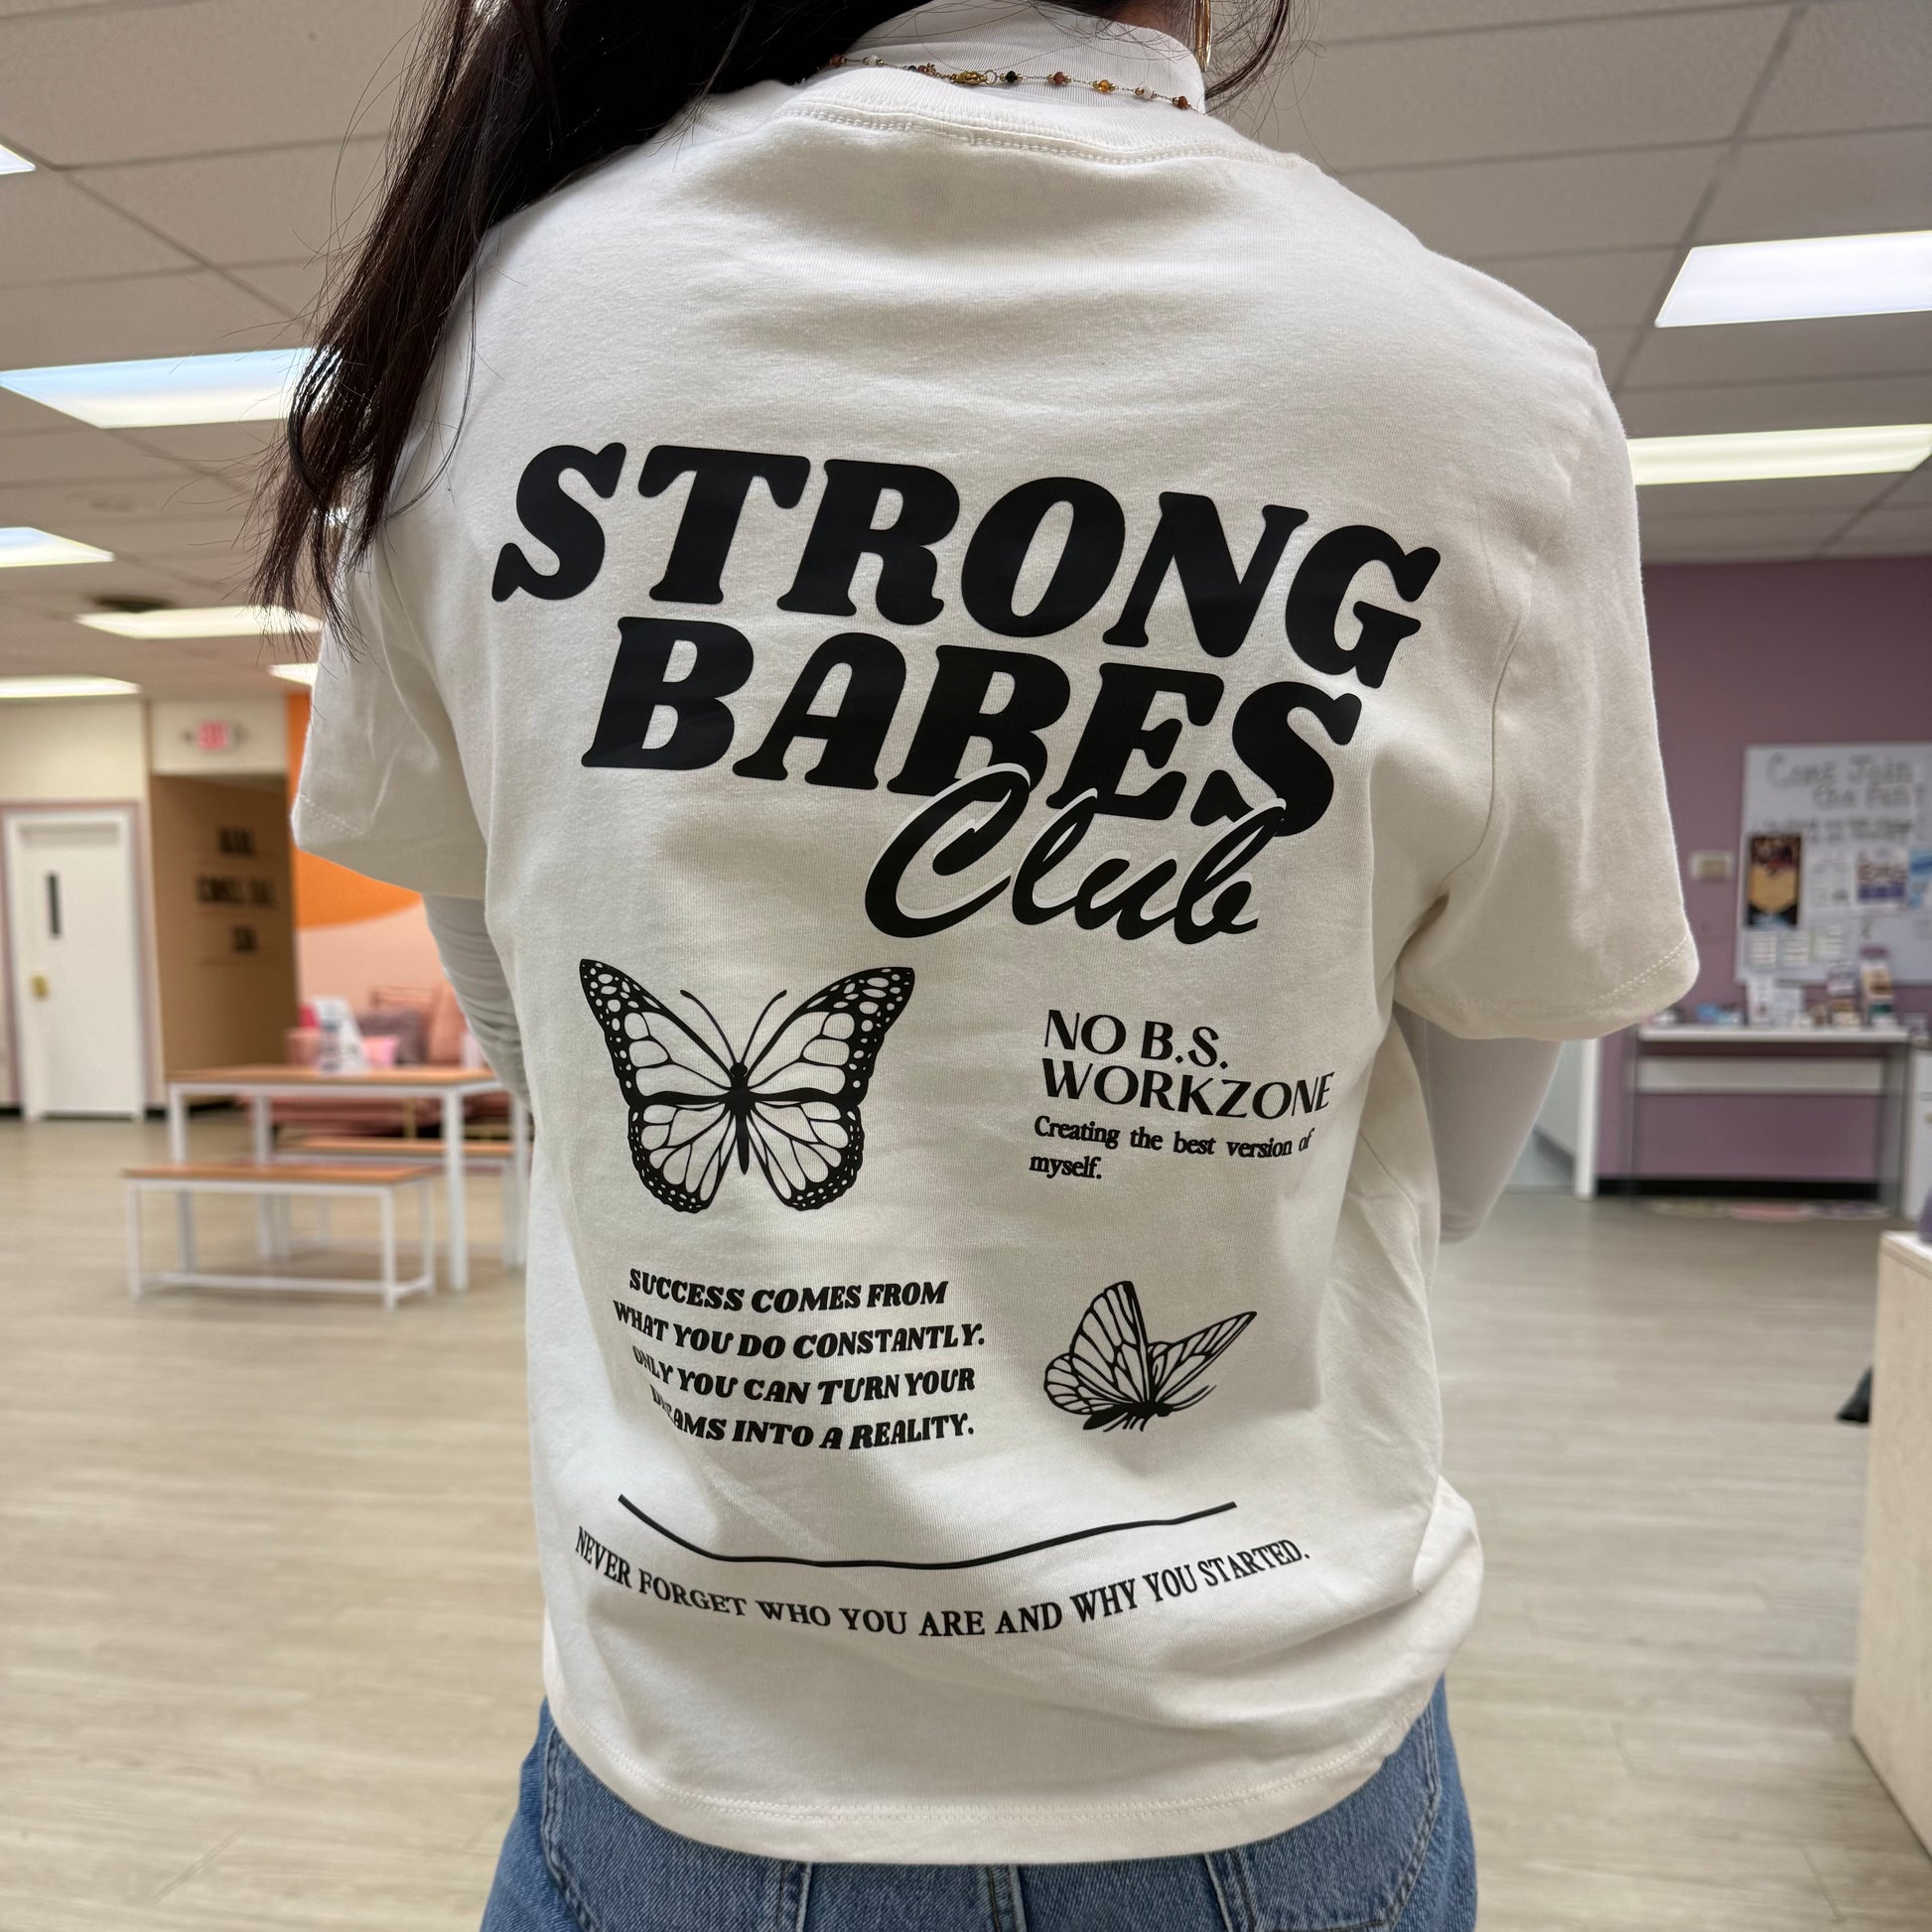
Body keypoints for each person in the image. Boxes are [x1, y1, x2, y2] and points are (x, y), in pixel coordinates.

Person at [265, 1, 1695, 1924]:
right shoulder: (1481, 392)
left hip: (699, 1751)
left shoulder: (493, 326)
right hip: (1241, 1755)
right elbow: (1453, 1160)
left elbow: (554, 1048)